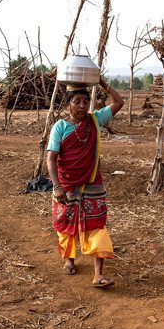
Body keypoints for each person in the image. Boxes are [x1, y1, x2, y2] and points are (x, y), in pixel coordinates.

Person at [46, 78, 124, 288]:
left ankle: (98, 274)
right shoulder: (59, 128)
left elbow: (118, 102)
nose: (82, 106)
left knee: (97, 224)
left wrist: (102, 82)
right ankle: (69, 259)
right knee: (66, 223)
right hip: (66, 183)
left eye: (85, 102)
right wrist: (57, 186)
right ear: (68, 105)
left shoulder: (95, 120)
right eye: (77, 102)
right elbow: (51, 158)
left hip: (92, 182)